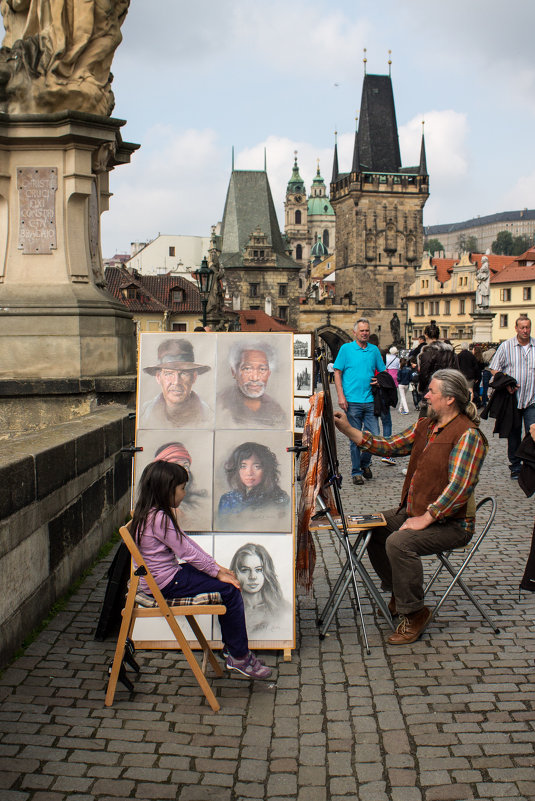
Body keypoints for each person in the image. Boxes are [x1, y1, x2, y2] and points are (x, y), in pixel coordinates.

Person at [334, 369, 488, 645]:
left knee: (400, 542)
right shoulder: (426, 425)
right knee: (374, 526)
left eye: (432, 392)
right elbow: (389, 445)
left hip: (452, 523)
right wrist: (348, 429)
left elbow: (459, 488)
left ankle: (415, 612)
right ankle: (399, 592)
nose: (425, 395)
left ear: (450, 399)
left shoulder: (468, 435)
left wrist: (426, 518)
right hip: (417, 511)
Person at [130, 460, 271, 679]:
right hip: (165, 584)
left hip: (164, 578)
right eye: (181, 488)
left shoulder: (151, 513)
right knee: (230, 590)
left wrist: (217, 568)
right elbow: (187, 552)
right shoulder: (158, 518)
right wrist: (217, 573)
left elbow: (187, 545)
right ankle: (238, 655)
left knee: (226, 583)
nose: (184, 493)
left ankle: (234, 649)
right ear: (166, 490)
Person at [333, 318, 386, 485]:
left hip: (370, 400)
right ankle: (356, 472)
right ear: (354, 333)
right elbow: (337, 372)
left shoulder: (374, 350)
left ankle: (364, 463)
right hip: (352, 401)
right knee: (355, 438)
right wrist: (341, 396)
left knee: (374, 435)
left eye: (367, 331)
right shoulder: (346, 349)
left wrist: (379, 380)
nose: (365, 333)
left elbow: (382, 373)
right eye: (362, 331)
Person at [489, 316, 535, 479]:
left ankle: (530, 465)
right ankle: (515, 466)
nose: (525, 330)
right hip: (512, 399)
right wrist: (505, 381)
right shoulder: (506, 346)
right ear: (516, 328)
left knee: (532, 433)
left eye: (527, 327)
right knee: (514, 433)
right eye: (522, 327)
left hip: (532, 399)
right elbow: (494, 368)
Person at [139, 339, 212, 428]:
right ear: (158, 377)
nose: (176, 382)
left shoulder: (209, 415)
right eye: (169, 373)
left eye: (184, 373)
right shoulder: (144, 414)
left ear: (194, 377)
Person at [217, 442, 290, 526]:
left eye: (256, 467)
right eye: (243, 466)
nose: (249, 473)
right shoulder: (227, 499)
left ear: (266, 469)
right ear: (236, 469)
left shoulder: (280, 498)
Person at [229, 543, 292, 637]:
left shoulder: (282, 608)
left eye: (258, 570)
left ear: (267, 573)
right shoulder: (227, 608)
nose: (252, 577)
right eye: (245, 570)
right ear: (235, 573)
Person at [219, 341, 286, 427]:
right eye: (247, 369)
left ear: (269, 373)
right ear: (234, 372)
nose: (255, 378)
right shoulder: (221, 404)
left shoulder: (276, 410)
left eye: (262, 369)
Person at [417, 321, 458, 415]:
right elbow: (456, 373)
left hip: (431, 391)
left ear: (426, 335)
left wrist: (422, 389)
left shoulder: (426, 354)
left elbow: (423, 376)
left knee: (425, 422)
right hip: (448, 391)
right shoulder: (450, 353)